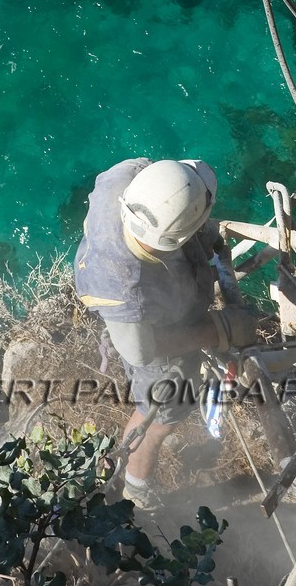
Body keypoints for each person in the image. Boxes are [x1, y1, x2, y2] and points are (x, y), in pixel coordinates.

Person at [73, 156, 258, 509]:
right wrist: (217, 329)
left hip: (161, 304)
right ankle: (135, 488)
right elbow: (141, 352)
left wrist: (202, 236)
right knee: (156, 420)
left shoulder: (125, 179)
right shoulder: (121, 286)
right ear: (176, 237)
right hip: (156, 350)